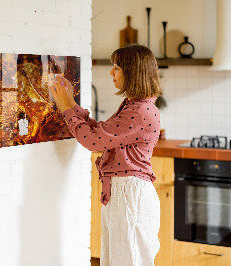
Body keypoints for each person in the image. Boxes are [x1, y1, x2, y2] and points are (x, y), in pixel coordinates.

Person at [50, 44, 162, 266]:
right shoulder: (135, 106)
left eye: (117, 67)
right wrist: (71, 103)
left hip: (130, 195)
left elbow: (92, 141)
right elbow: (101, 133)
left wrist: (65, 108)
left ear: (133, 72)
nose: (111, 72)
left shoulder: (139, 111)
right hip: (125, 193)